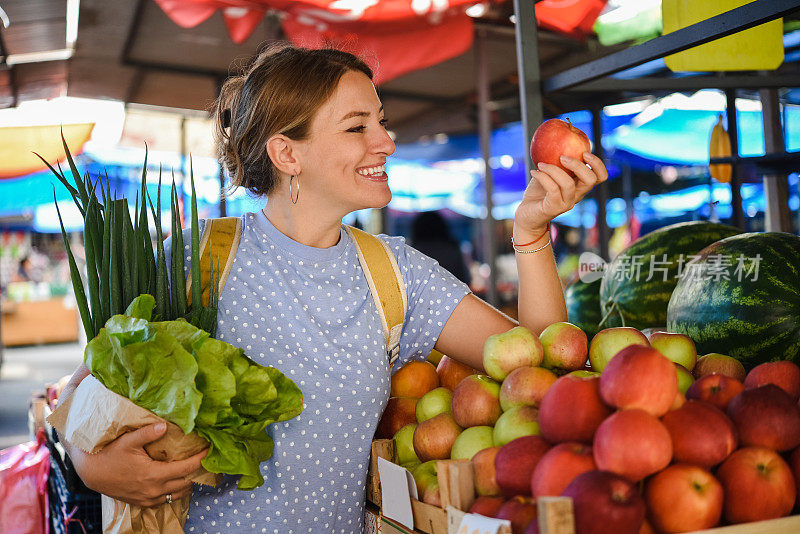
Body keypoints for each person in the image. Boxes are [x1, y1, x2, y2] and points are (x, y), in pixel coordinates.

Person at [57, 43, 607, 533]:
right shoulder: (197, 259)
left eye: (382, 122)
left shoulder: (393, 272)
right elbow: (88, 392)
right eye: (357, 127)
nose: (387, 141)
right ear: (286, 154)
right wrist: (94, 467)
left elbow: (538, 363)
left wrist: (530, 233)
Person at [409, 211, 470, 285]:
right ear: (443, 227)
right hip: (452, 294)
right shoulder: (452, 250)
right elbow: (465, 279)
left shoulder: (413, 251)